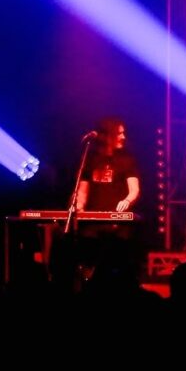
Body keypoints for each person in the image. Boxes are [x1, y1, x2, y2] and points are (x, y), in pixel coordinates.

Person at [69, 118, 143, 286]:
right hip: (92, 224)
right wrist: (79, 207)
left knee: (117, 258)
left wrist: (127, 200)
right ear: (108, 136)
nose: (123, 137)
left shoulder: (127, 160)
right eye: (119, 133)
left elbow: (134, 190)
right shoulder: (90, 160)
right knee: (87, 255)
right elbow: (82, 191)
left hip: (118, 224)